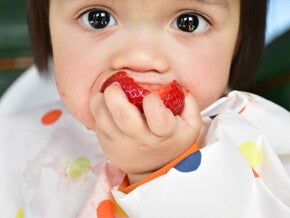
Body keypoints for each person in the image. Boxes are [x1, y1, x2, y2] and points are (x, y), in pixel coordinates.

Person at [0, 0, 289, 217]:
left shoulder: (263, 144)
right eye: (98, 18)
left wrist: (162, 170)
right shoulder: (13, 141)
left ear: (239, 41)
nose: (140, 57)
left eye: (189, 22)